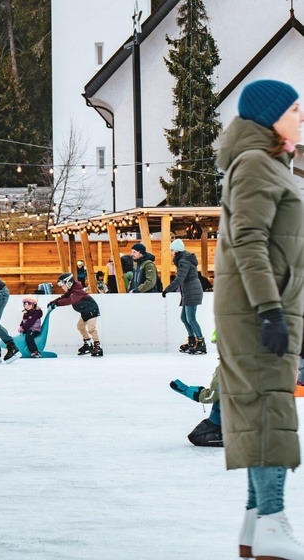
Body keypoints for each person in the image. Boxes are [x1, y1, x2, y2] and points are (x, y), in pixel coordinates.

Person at [214, 79, 304, 558]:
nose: (301, 116)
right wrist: (270, 311)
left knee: (261, 408)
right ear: (270, 118)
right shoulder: (256, 165)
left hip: (263, 307)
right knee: (270, 410)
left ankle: (254, 524)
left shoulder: (268, 164)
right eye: (294, 109)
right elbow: (249, 240)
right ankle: (272, 522)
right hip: (258, 312)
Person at [163, 238, 205, 354]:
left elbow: (180, 279)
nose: (171, 253)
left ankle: (201, 342)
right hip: (188, 291)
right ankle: (192, 340)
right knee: (184, 318)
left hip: (192, 291)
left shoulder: (184, 261)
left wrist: (167, 289)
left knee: (191, 318)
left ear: (176, 251)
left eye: (172, 250)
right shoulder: (183, 259)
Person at [47, 272, 103, 357]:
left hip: (92, 310)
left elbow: (70, 300)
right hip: (85, 312)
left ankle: (97, 346)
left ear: (68, 282)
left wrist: (57, 304)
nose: (62, 287)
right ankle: (87, 343)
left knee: (91, 328)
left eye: (62, 285)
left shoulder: (77, 291)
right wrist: (53, 302)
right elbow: (64, 297)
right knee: (80, 327)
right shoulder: (72, 290)